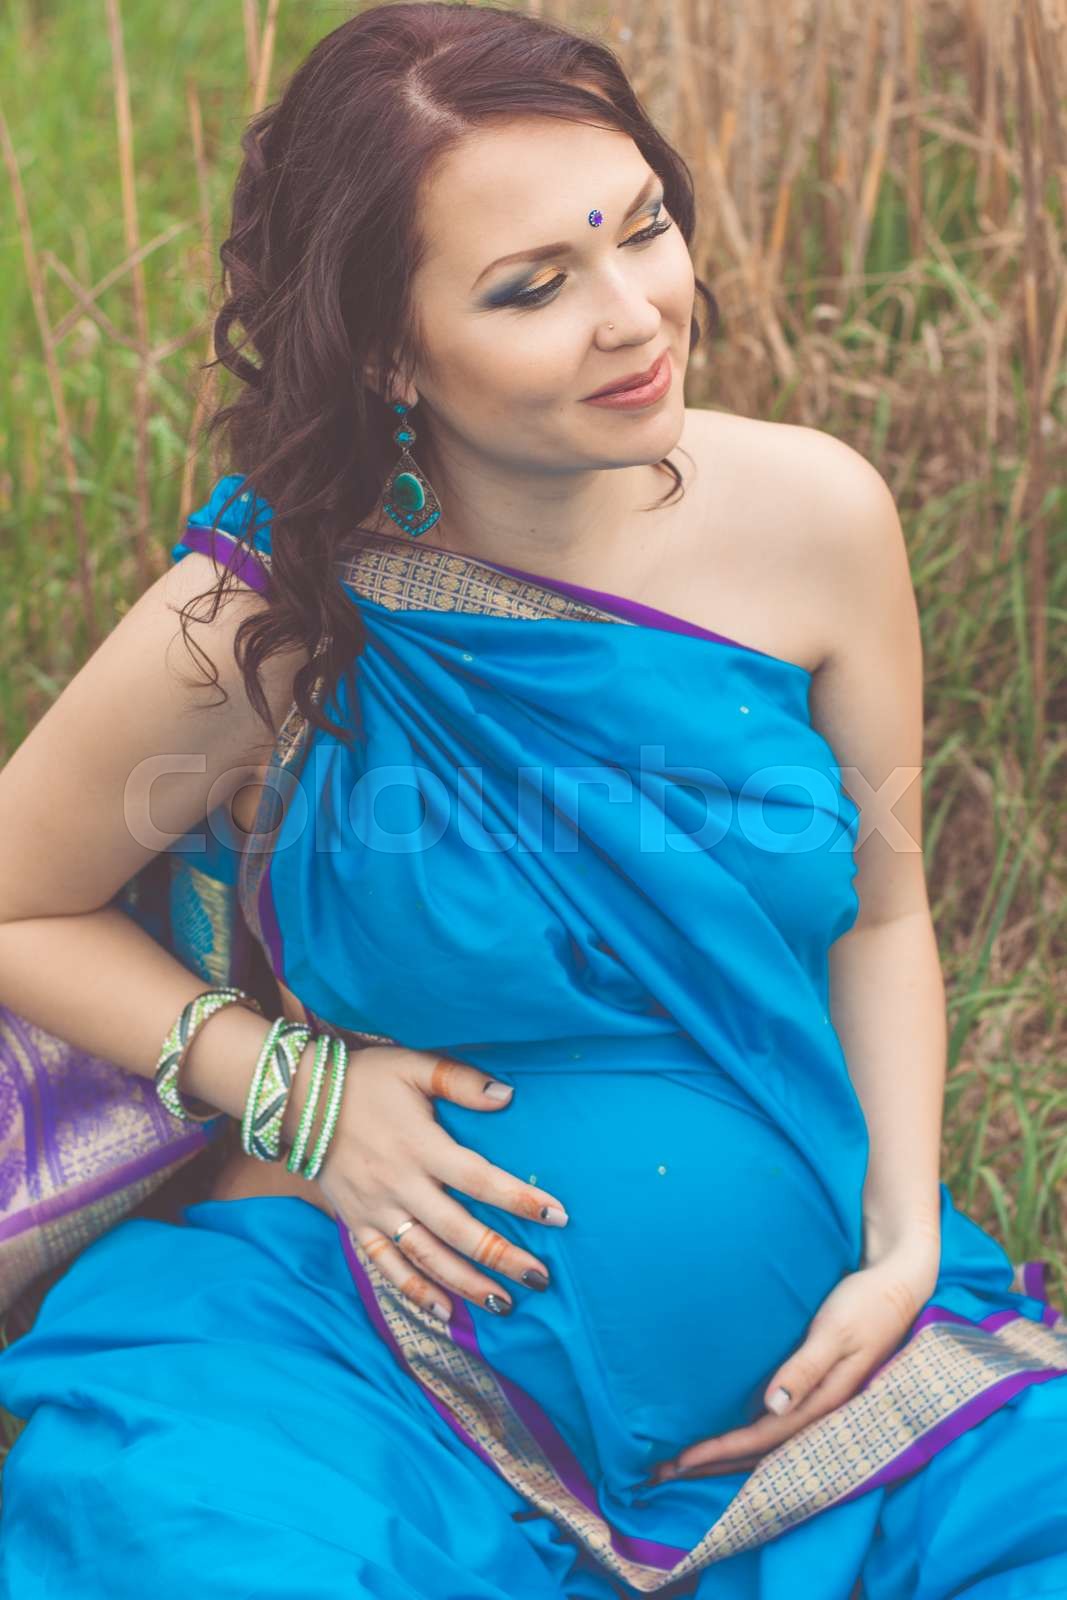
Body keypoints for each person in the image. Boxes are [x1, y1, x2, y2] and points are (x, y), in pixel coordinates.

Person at [0, 5, 1064, 1597]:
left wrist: (905, 1238)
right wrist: (297, 1088)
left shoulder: (817, 519)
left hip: (833, 1376)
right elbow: (19, 895)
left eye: (643, 229)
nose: (636, 315)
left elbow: (888, 916)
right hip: (350, 1365)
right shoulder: (279, 615)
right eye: (532, 288)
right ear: (386, 346)